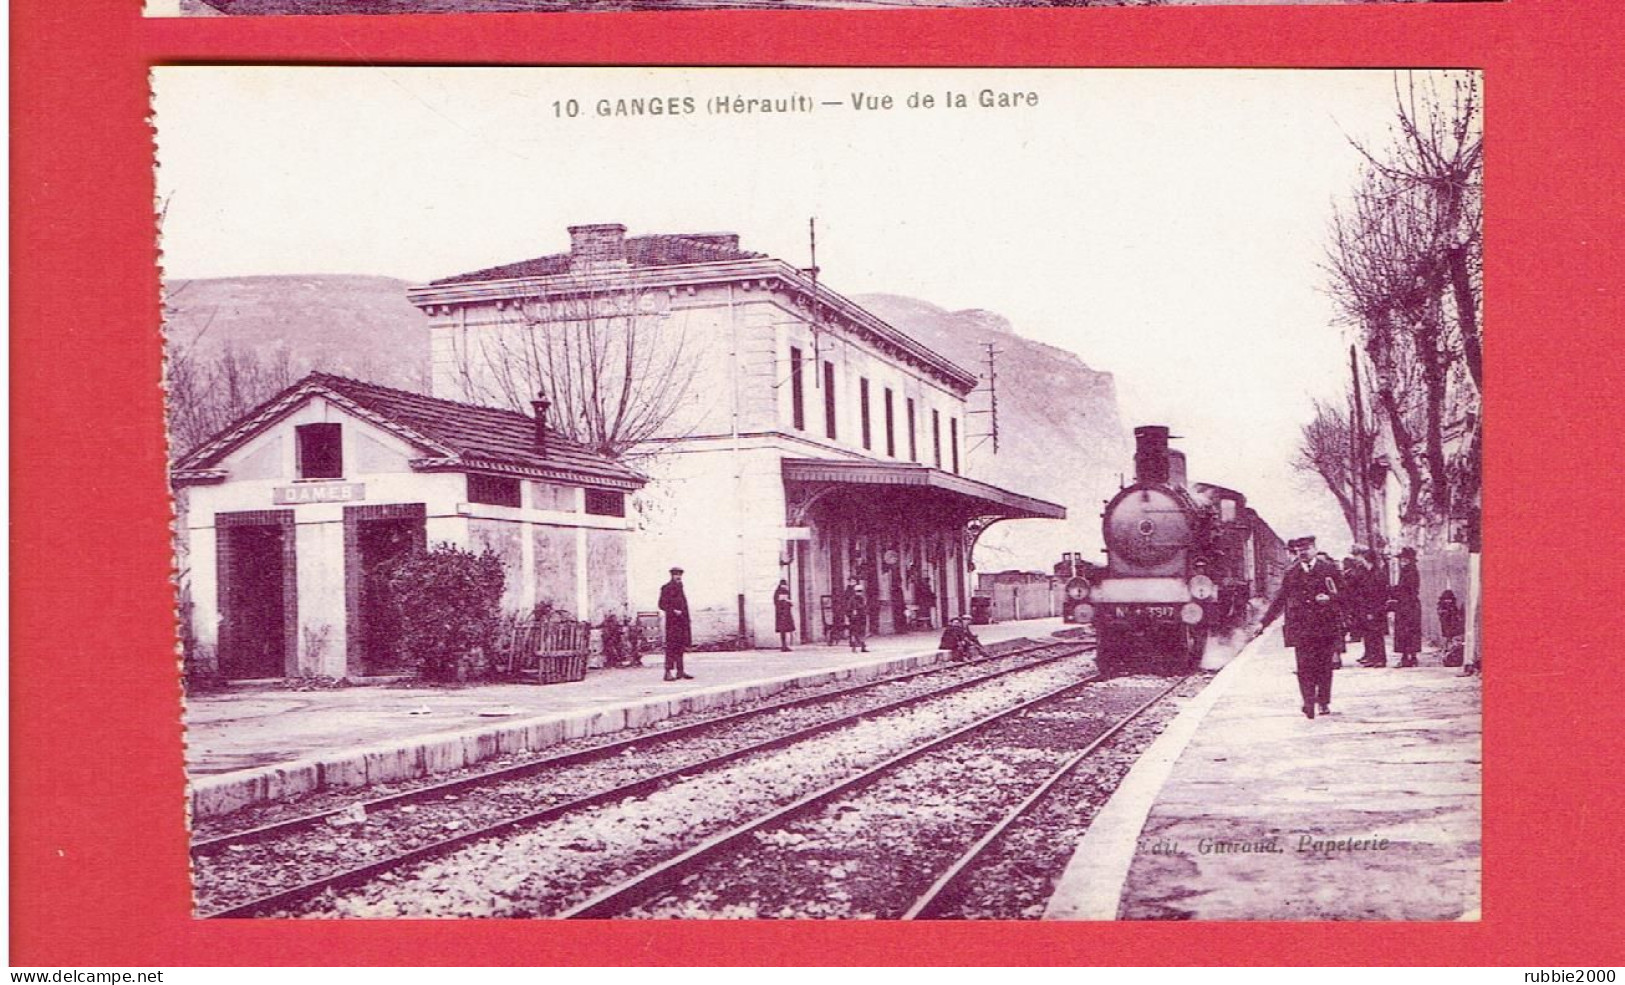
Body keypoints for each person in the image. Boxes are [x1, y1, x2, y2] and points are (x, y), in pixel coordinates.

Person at [1262, 535, 1343, 719]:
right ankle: (1308, 702)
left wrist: (1330, 598)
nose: (1302, 554)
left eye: (1305, 550)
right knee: (1304, 667)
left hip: (1324, 627)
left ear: (1314, 548)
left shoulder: (1328, 569)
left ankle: (1323, 701)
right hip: (1301, 628)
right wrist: (1264, 622)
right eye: (1298, 552)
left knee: (1323, 666)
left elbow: (1344, 593)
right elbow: (1280, 599)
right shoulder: (1291, 573)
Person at [1352, 546, 1392, 669]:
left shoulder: (1377, 574)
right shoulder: (1366, 572)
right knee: (1370, 634)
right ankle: (1373, 657)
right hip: (1366, 608)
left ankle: (1380, 658)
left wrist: (1373, 610)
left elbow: (1377, 594)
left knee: (1376, 634)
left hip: (1375, 608)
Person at [658, 567, 693, 681]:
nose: (678, 577)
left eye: (680, 575)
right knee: (671, 647)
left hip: (682, 622)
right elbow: (662, 604)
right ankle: (667, 672)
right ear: (671, 576)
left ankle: (680, 671)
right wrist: (673, 610)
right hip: (672, 623)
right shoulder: (666, 588)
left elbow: (684, 605)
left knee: (680, 647)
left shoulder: (680, 587)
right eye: (676, 575)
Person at [1391, 547, 1423, 668]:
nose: (1401, 561)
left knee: (1407, 631)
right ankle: (1409, 656)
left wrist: (1395, 591)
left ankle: (1408, 657)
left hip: (1408, 605)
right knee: (1408, 631)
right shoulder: (1407, 571)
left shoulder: (1410, 572)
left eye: (1403, 559)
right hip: (1407, 604)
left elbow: (1407, 589)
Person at [843, 577, 869, 653]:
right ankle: (855, 647)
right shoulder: (852, 598)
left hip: (862, 617)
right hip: (855, 617)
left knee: (862, 631)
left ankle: (862, 646)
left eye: (860, 591)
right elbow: (848, 608)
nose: (859, 592)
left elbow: (865, 606)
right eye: (858, 591)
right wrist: (850, 615)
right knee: (855, 631)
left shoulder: (862, 598)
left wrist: (865, 611)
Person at [773, 579, 795, 652]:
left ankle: (784, 645)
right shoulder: (778, 592)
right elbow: (777, 602)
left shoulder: (785, 591)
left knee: (785, 630)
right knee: (783, 630)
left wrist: (789, 602)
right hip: (782, 614)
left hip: (786, 613)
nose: (785, 586)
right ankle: (783, 645)